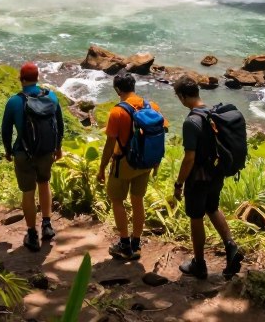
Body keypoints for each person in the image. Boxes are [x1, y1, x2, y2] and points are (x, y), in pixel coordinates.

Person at [171, 75, 244, 279]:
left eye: (179, 97)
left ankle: (199, 264)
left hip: (199, 178)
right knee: (212, 208)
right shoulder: (213, 113)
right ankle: (231, 247)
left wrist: (179, 184)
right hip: (216, 173)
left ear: (183, 96)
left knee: (196, 217)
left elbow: (189, 159)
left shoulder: (191, 122)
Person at [97, 71, 164, 260]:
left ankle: (124, 244)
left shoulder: (117, 112)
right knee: (137, 201)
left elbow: (110, 144)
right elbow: (160, 134)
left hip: (124, 163)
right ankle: (136, 242)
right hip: (145, 162)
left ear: (118, 90)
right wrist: (157, 162)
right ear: (134, 86)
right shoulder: (153, 106)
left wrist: (102, 168)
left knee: (117, 200)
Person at [1, 62, 64, 251]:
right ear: (38, 77)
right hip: (46, 151)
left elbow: (5, 130)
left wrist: (8, 151)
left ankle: (32, 234)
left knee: (28, 193)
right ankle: (47, 225)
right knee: (44, 184)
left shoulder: (14, 101)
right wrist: (58, 147)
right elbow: (60, 125)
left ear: (21, 79)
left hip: (23, 152)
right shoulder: (51, 96)